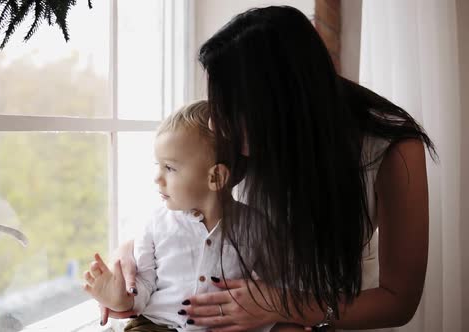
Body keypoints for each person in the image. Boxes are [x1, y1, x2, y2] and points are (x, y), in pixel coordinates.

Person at [101, 5, 436, 332]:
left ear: (280, 101)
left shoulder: (393, 148)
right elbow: (192, 211)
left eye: (231, 106)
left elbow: (398, 301)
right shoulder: (236, 136)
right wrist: (132, 257)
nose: (218, 122)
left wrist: (281, 305)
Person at [83, 101, 285, 331]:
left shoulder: (256, 227)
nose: (157, 178)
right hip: (157, 325)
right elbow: (144, 284)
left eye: (169, 168)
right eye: (158, 165)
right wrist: (118, 298)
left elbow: (274, 288)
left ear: (216, 177)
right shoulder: (155, 224)